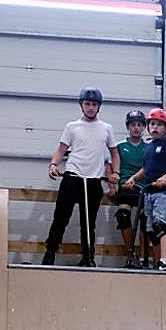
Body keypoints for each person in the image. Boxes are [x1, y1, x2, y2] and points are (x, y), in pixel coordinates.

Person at [44, 87, 119, 267]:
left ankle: (88, 256)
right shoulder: (72, 127)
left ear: (99, 107)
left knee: (88, 222)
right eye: (87, 104)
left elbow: (115, 154)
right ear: (81, 105)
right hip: (73, 178)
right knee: (61, 218)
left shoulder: (106, 128)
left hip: (93, 181)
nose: (91, 107)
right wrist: (53, 164)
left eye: (94, 104)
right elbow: (61, 150)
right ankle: (50, 253)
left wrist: (116, 173)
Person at [123, 108, 166, 271]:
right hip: (149, 192)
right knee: (152, 229)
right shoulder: (149, 147)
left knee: (163, 224)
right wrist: (133, 178)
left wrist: (165, 177)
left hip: (164, 192)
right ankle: (158, 261)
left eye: (159, 124)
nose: (155, 127)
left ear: (165, 128)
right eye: (152, 124)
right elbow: (146, 169)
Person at [111, 110, 149, 266]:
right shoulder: (120, 146)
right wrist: (113, 186)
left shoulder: (148, 148)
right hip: (125, 186)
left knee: (146, 221)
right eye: (133, 125)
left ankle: (142, 257)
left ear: (144, 128)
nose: (136, 128)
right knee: (123, 216)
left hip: (142, 187)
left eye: (139, 125)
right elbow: (111, 166)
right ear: (128, 127)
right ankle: (130, 253)